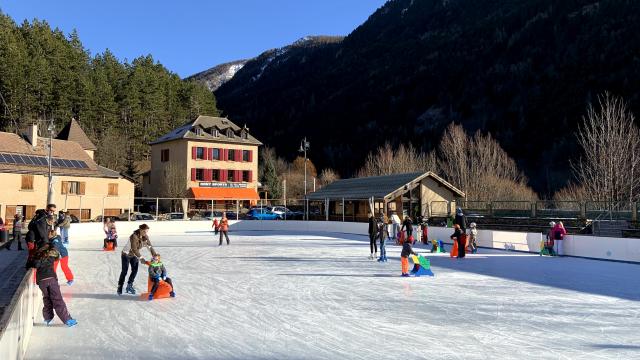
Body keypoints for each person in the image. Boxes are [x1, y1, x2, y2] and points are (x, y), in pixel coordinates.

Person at [27, 232, 77, 327]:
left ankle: (48, 318)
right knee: (57, 299)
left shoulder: (36, 257)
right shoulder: (51, 255)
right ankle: (67, 320)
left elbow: (32, 264)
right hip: (51, 279)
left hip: (41, 281)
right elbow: (57, 255)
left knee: (47, 298)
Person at [118, 224, 156, 295]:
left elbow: (150, 247)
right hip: (126, 254)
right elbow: (134, 249)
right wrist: (141, 258)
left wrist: (155, 256)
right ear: (140, 230)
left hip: (134, 255)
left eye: (147, 231)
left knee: (135, 270)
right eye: (144, 231)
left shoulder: (145, 237)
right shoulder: (134, 236)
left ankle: (129, 285)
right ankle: (120, 287)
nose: (146, 233)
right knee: (124, 271)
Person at [50, 220, 74, 286]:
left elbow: (55, 248)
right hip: (59, 254)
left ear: (51, 235)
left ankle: (70, 279)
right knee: (53, 268)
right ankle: (54, 280)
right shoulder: (55, 238)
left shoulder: (55, 241)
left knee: (64, 267)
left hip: (62, 255)